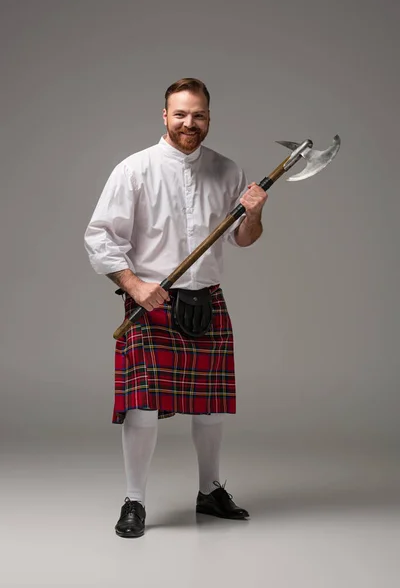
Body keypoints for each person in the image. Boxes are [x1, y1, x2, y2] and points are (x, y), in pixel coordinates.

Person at [84, 78, 268, 538]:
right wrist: (133, 284)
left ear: (209, 118)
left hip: (207, 296)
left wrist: (256, 212)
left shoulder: (226, 170)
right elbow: (100, 236)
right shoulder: (135, 169)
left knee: (210, 408)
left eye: (199, 114)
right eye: (181, 113)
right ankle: (134, 500)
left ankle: (209, 491)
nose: (190, 122)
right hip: (152, 300)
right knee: (141, 407)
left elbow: (242, 238)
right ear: (164, 116)